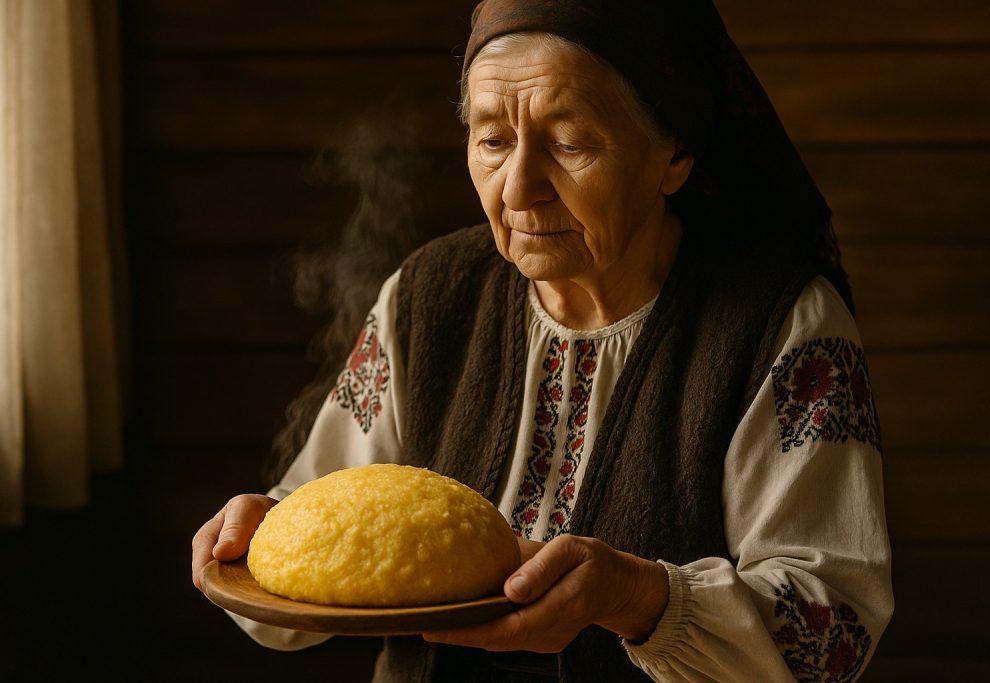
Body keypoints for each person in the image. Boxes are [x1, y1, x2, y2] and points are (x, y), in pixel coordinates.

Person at [190, 1, 893, 681]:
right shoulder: (426, 296)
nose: (520, 189)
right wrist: (257, 530)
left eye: (570, 141)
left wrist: (638, 597)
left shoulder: (783, 327)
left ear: (674, 155)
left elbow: (830, 636)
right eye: (493, 139)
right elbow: (313, 549)